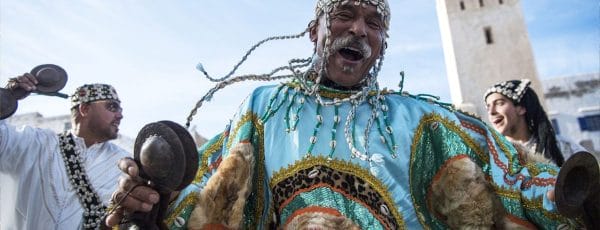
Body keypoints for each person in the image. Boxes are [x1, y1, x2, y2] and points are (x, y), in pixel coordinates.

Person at [106, 1, 582, 229]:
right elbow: (208, 197)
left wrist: (580, 197)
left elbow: (512, 180)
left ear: (381, 44)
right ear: (315, 30)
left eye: (374, 22)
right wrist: (154, 197)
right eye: (346, 14)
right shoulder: (264, 109)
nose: (359, 28)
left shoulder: (420, 120)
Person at [0, 74, 128, 229]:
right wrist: (6, 98)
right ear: (85, 109)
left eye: (119, 109)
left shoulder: (124, 164)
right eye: (112, 107)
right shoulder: (36, 144)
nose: (120, 115)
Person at [484, 79, 588, 166]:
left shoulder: (562, 147)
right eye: (488, 107)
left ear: (521, 108)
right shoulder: (490, 158)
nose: (491, 112)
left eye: (499, 103)